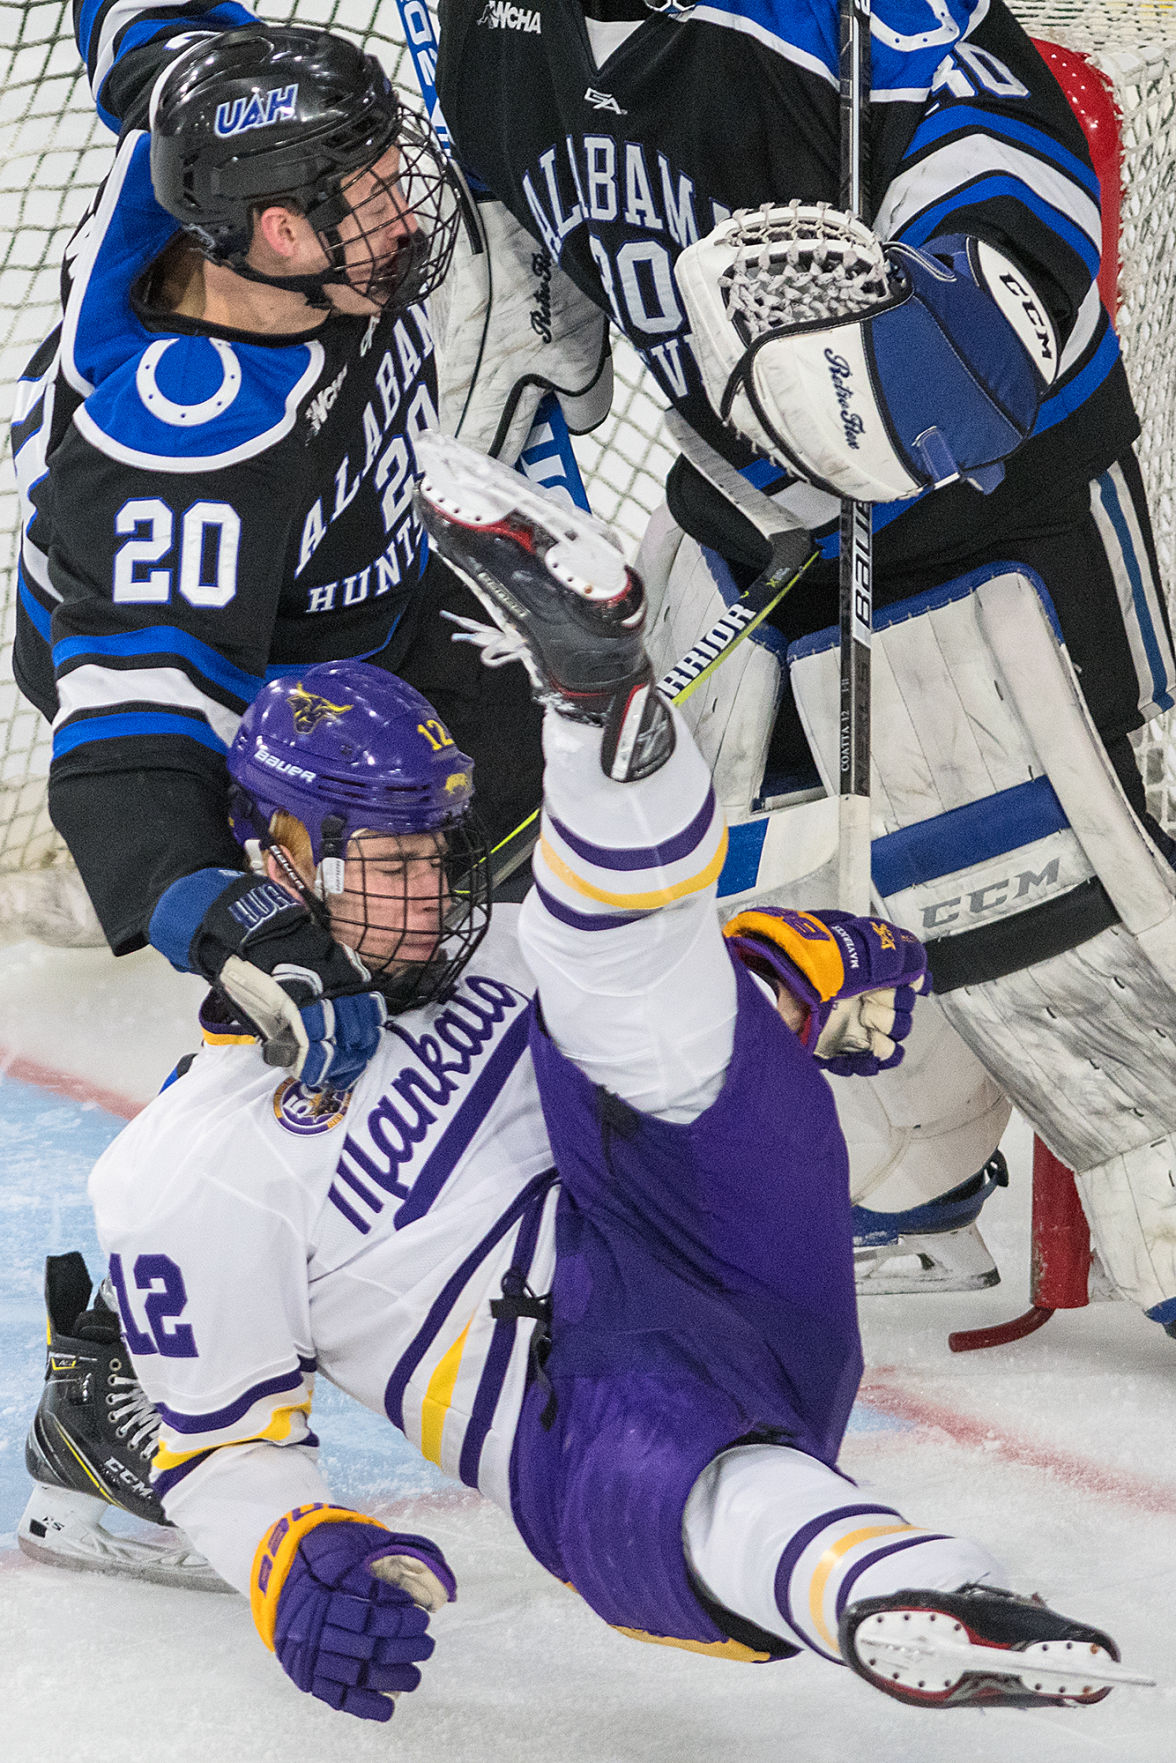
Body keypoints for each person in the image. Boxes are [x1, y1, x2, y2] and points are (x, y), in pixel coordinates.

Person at [21, 435, 1140, 1718]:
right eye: (382, 858)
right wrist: (293, 1557)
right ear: (267, 855)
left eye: (434, 847)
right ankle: (914, 1592)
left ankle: (599, 706)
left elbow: (657, 1021)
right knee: (664, 1467)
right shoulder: (182, 1170)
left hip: (732, 1236)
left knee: (600, 962)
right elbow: (222, 1453)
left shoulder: (492, 945)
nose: (429, 889)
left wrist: (776, 973)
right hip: (579, 1375)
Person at [429, 0, 1176, 1321]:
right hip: (746, 518)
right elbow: (525, 265)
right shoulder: (486, 27)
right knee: (725, 895)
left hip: (989, 513)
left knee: (1068, 913)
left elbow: (1028, 193)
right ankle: (900, 1183)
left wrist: (918, 354)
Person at [10, 2, 541, 1092]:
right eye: (377, 193)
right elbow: (136, 743)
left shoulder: (215, 132)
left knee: (537, 798)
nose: (410, 211)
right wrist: (244, 930)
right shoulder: (194, 439)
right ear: (283, 234)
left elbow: (151, 23)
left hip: (367, 592)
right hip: (232, 655)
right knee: (387, 916)